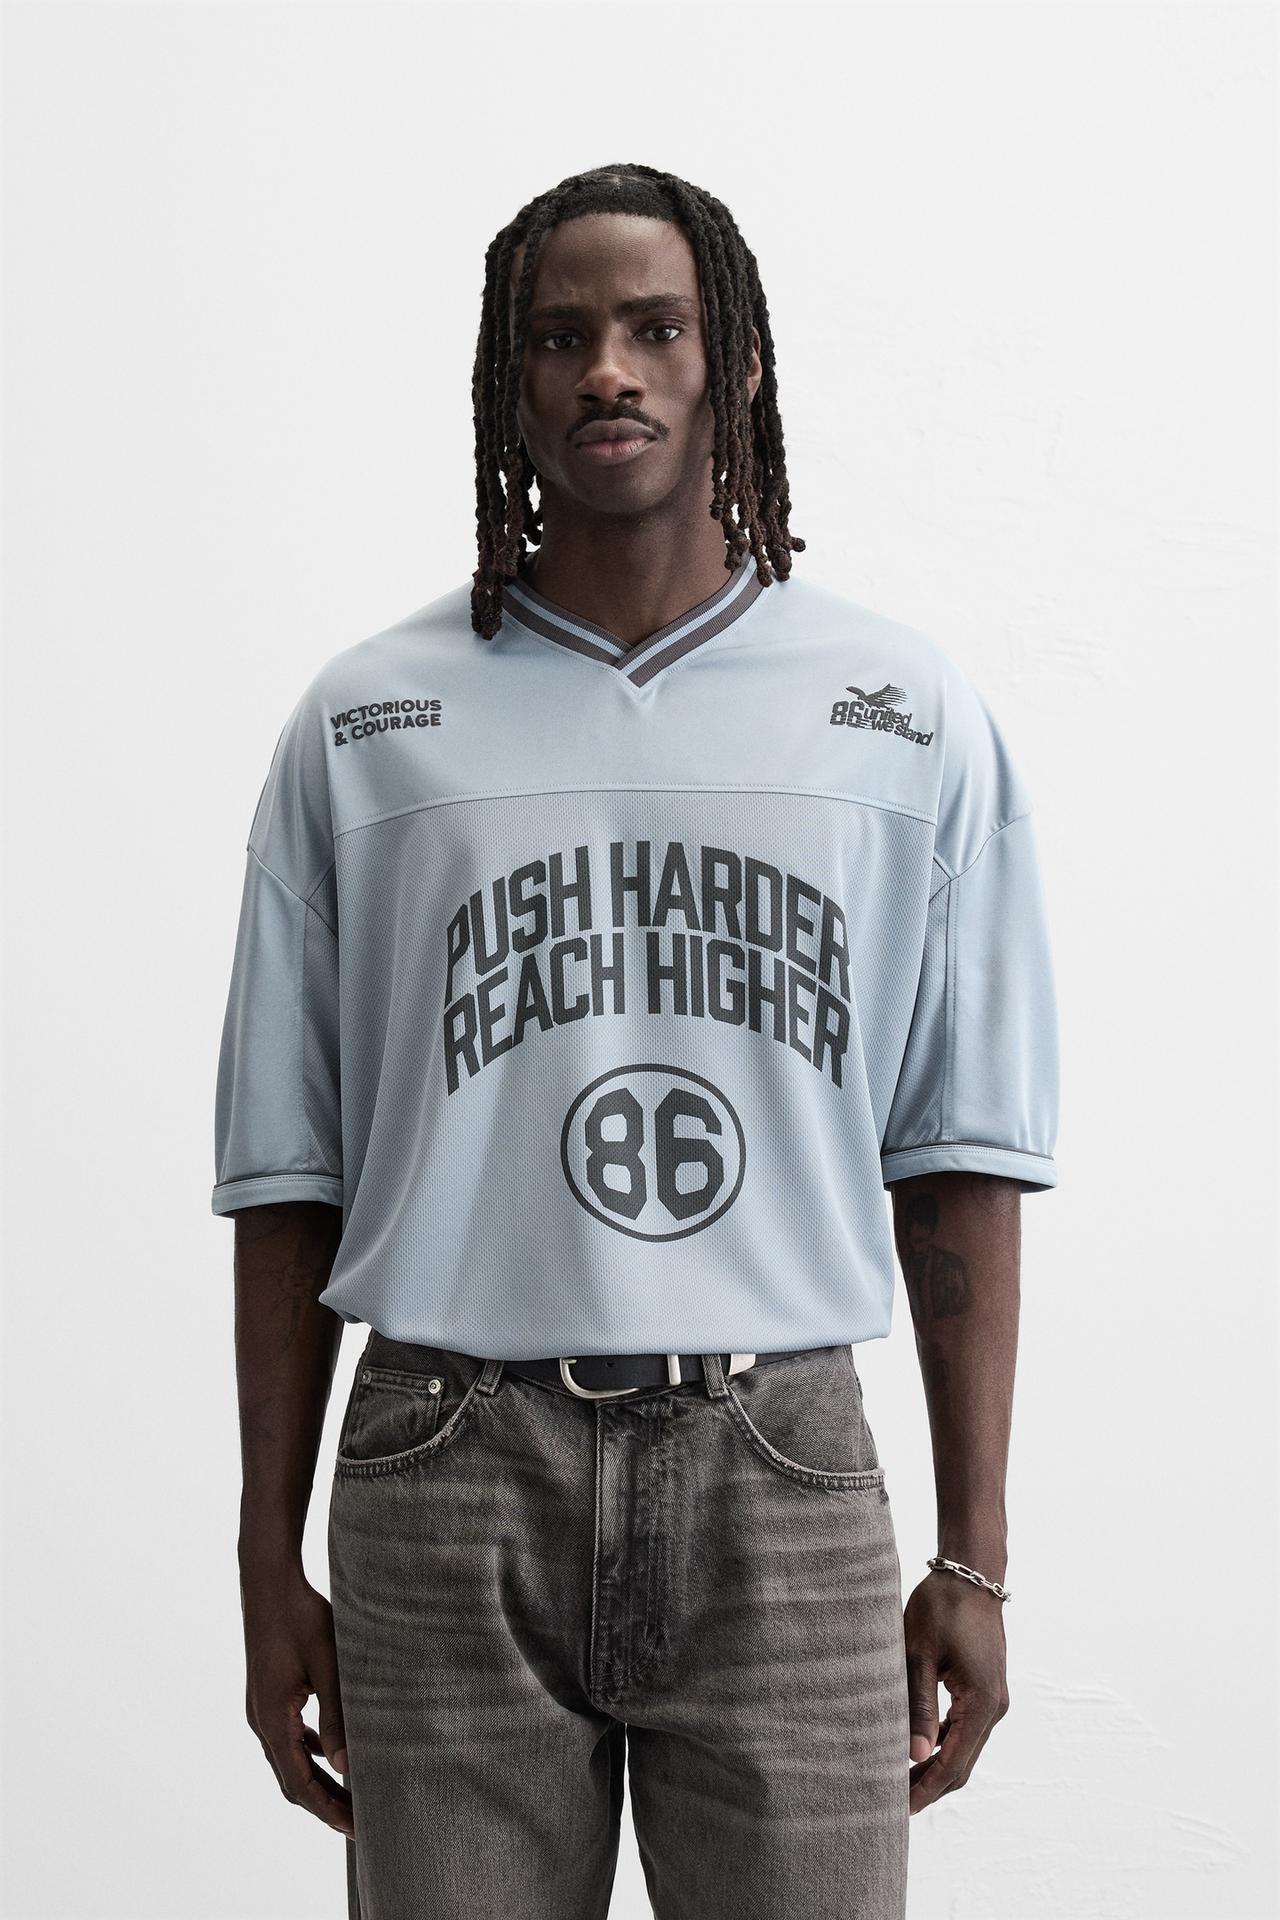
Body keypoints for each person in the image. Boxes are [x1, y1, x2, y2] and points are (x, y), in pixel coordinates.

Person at [213, 163, 1060, 1920]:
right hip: (445, 1459)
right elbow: (291, 1176)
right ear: (508, 379)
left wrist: (975, 1554)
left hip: (782, 1456)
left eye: (655, 328)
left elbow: (958, 1162)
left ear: (732, 361)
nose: (609, 369)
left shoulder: (902, 717)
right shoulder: (367, 723)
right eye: (562, 337)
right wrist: (261, 1550)